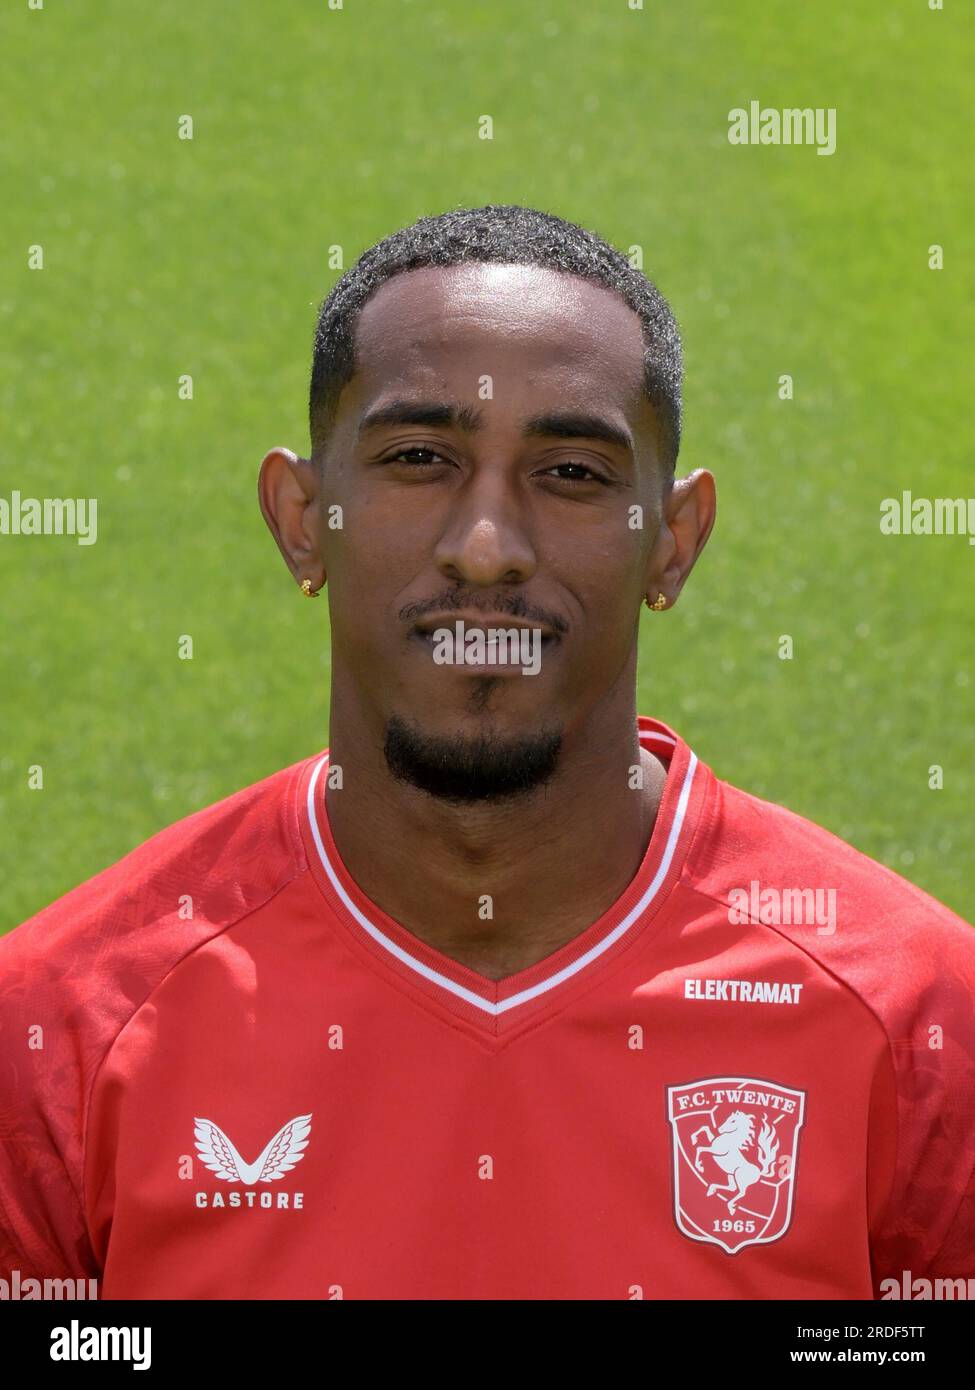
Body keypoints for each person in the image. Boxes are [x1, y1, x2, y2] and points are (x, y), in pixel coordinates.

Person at [1, 205, 972, 1301]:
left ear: (675, 539)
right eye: (420, 458)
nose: (485, 547)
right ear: (301, 517)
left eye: (571, 474)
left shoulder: (920, 1017)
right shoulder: (61, 1021)